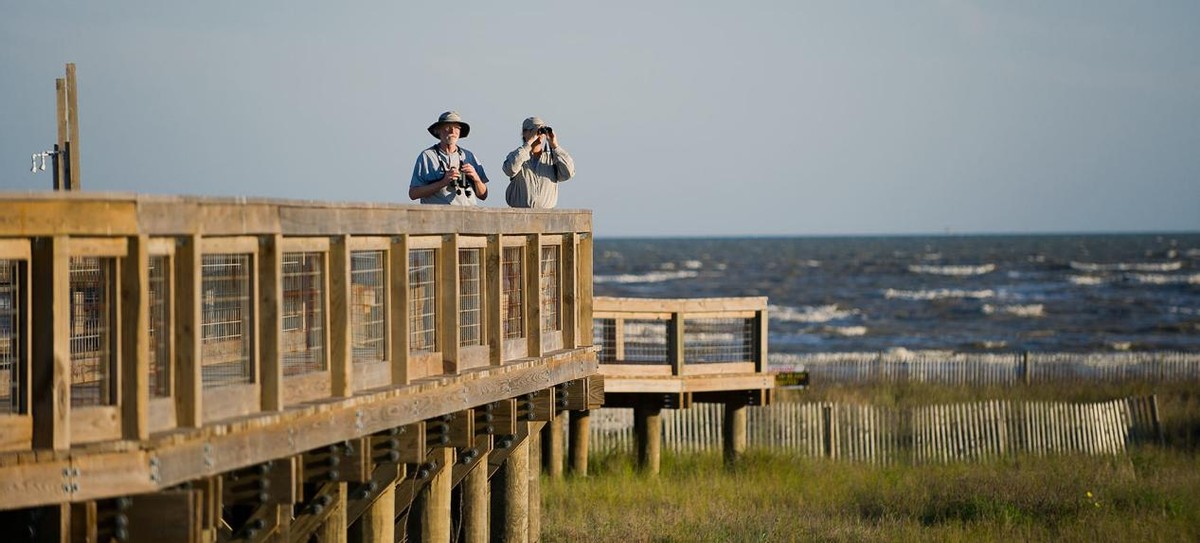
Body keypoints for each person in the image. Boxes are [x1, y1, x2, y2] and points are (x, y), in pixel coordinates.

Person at [409, 111, 489, 205]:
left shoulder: (469, 156)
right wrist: (443, 182)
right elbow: (413, 194)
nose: (452, 131)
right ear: (438, 130)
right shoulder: (427, 156)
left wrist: (476, 179)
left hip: (467, 216)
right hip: (439, 216)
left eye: (456, 128)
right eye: (448, 127)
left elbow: (483, 195)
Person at [502, 116, 576, 208]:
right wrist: (528, 143)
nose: (539, 134)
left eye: (541, 131)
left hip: (547, 217)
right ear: (524, 133)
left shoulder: (552, 159)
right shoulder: (518, 156)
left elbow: (569, 173)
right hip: (520, 215)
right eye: (535, 130)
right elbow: (510, 169)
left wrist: (555, 146)